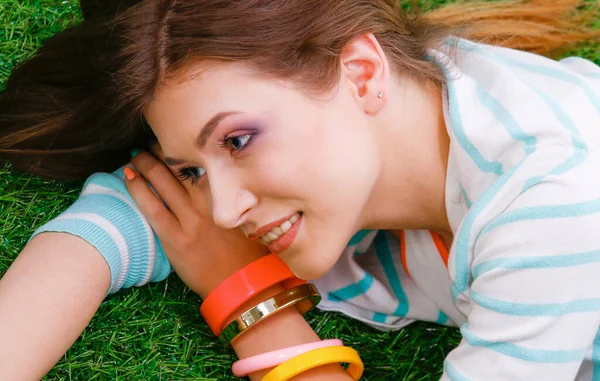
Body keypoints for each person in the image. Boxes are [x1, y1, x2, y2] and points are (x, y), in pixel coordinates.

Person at [1, 0, 600, 379]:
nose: (225, 211)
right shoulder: (390, 114)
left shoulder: (550, 206)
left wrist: (249, 301)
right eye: (193, 170)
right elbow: (123, 221)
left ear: (362, 75)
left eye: (237, 142)